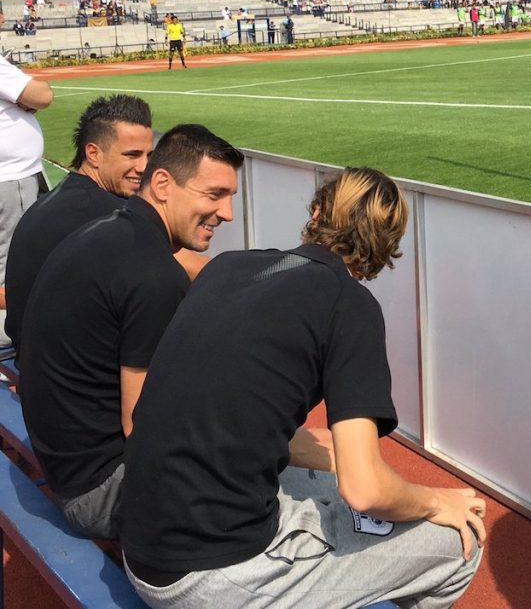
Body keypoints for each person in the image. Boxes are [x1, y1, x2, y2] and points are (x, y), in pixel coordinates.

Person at [120, 167, 485, 609]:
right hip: (209, 579)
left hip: (139, 545)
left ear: (316, 213)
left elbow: (215, 404)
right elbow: (366, 489)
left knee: (329, 471)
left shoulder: (229, 266)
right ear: (387, 246)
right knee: (459, 542)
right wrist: (433, 501)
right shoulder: (350, 305)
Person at [18, 124, 244, 540]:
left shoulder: (107, 230)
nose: (227, 212)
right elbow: (142, 427)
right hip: (98, 490)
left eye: (230, 197)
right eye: (215, 194)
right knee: (260, 462)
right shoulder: (154, 275)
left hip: (66, 461)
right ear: (163, 184)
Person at [4, 95, 154, 355]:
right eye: (132, 155)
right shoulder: (111, 216)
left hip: (32, 354)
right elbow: (183, 271)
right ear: (93, 153)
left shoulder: (56, 199)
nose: (144, 167)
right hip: (64, 368)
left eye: (149, 155)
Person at [0, 13, 53, 349]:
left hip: (13, 176)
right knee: (13, 263)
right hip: (11, 178)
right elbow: (42, 95)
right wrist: (24, 98)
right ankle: (12, 337)